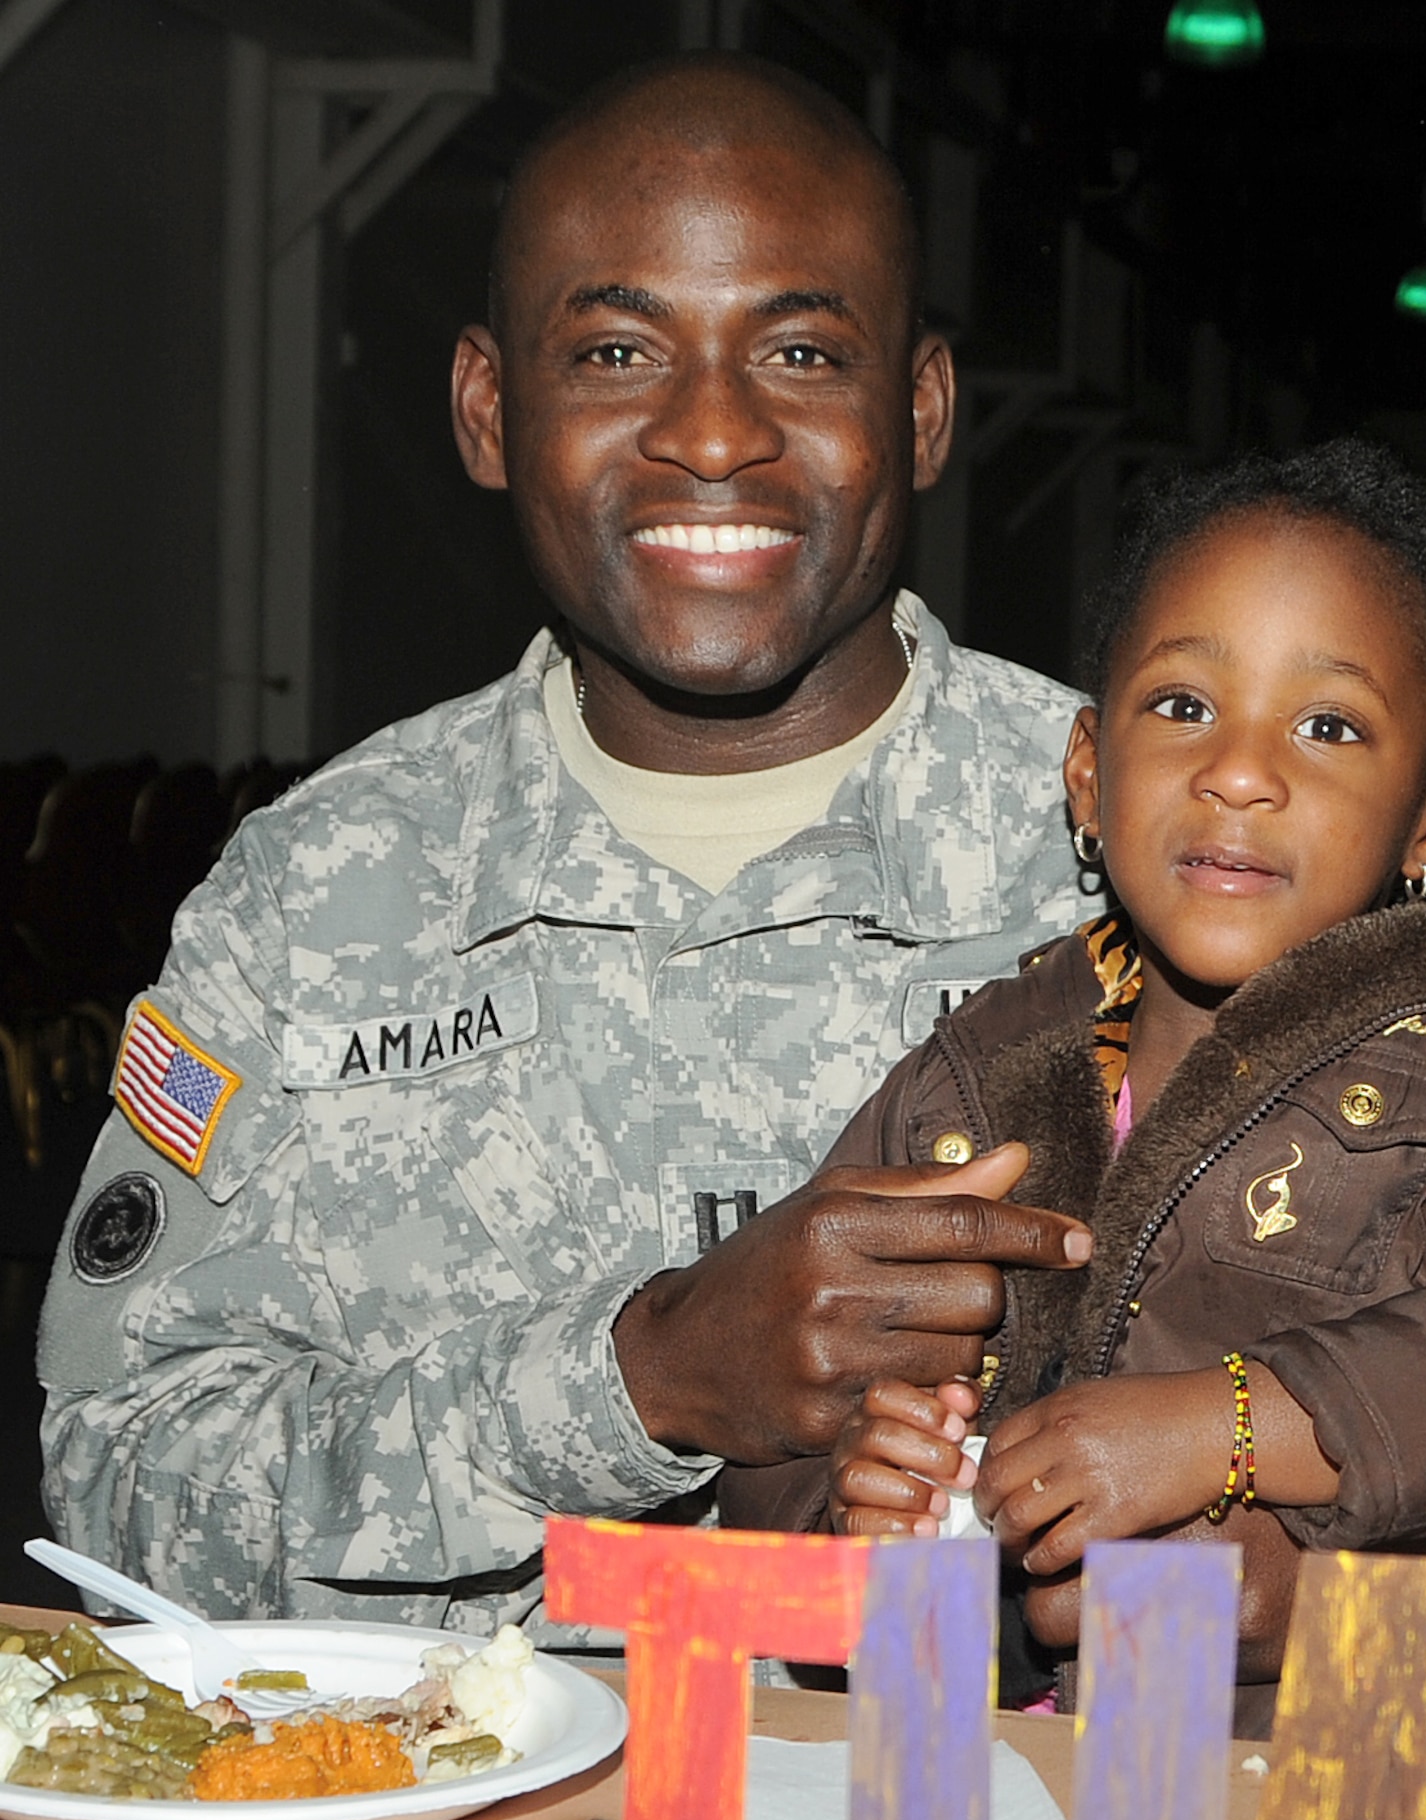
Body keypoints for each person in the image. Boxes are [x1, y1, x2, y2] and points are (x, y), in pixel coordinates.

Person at [33, 54, 1105, 1630]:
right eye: (615, 349)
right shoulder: (317, 896)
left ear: (922, 411)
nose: (715, 434)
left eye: (801, 350)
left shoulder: (1175, 839)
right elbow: (115, 1485)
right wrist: (635, 1380)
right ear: (487, 411)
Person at [720, 441, 1426, 1748]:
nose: (1239, 771)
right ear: (1085, 767)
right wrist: (863, 1513)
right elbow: (787, 1421)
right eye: (1182, 705)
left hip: (1372, 1784)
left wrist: (1235, 1425)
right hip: (1041, 1790)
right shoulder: (975, 1075)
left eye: (1327, 726)